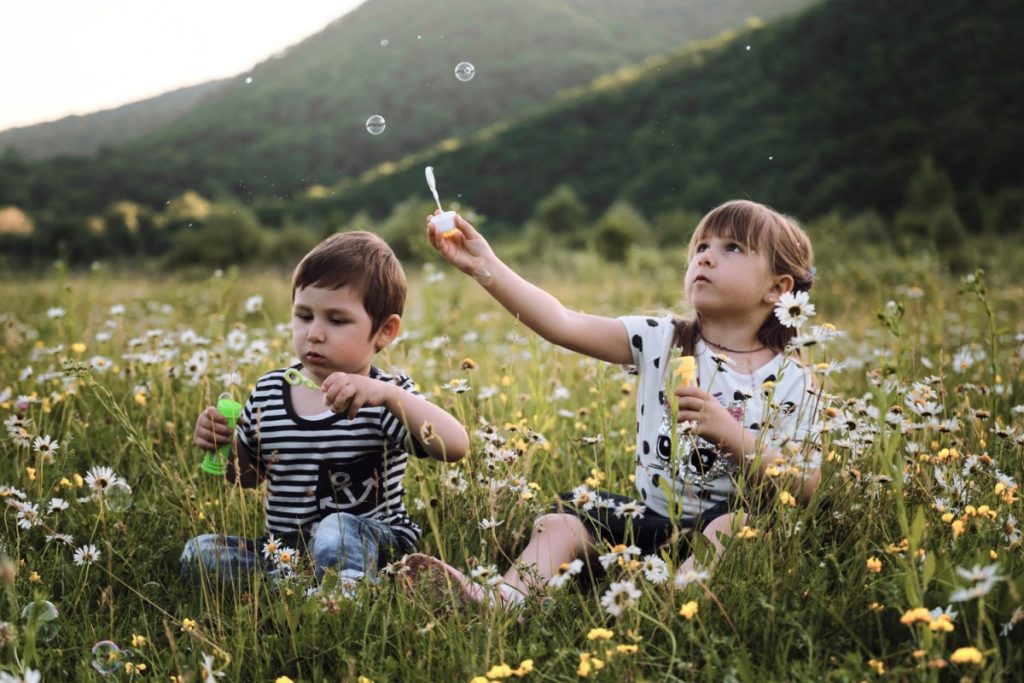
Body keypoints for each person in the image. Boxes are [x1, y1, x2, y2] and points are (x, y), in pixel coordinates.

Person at [407, 199, 822, 608]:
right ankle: (502, 601)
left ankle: (679, 603)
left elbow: (808, 484)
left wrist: (732, 435)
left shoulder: (792, 380)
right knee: (561, 521)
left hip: (725, 529)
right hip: (648, 523)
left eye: (731, 247)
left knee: (736, 525)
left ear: (778, 288)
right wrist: (485, 265)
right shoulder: (663, 340)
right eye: (701, 247)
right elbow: (561, 322)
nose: (707, 258)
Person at [183, 231, 469, 589]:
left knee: (337, 526)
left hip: (373, 541)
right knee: (200, 553)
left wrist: (388, 396)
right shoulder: (270, 393)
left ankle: (348, 593)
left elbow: (455, 447)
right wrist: (221, 444)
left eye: (336, 320)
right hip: (287, 549)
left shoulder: (384, 399)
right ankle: (300, 584)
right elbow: (250, 476)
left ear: (384, 331)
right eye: (304, 316)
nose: (314, 333)